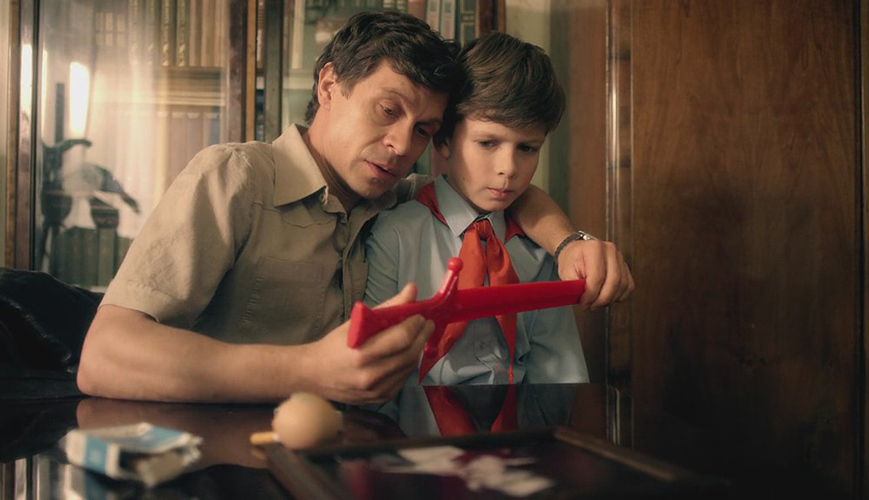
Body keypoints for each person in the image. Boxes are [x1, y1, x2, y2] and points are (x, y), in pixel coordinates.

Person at [77, 11, 632, 405]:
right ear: (328, 85)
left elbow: (504, 192)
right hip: (227, 454)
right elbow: (105, 355)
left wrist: (570, 243)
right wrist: (306, 370)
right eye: (387, 110)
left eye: (424, 129)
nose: (401, 144)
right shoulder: (237, 178)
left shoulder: (396, 196)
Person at [364, 32, 588, 386]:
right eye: (487, 143)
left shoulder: (542, 248)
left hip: (523, 419)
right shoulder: (395, 235)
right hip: (417, 419)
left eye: (527, 148)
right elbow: (377, 373)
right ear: (443, 140)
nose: (508, 168)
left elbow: (560, 373)